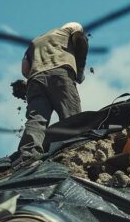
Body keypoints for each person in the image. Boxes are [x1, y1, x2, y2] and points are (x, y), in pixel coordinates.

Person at [14, 22, 88, 162]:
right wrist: (80, 71)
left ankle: (28, 153)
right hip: (60, 73)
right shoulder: (69, 31)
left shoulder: (35, 41)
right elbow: (81, 42)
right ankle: (73, 145)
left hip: (35, 80)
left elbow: (25, 69)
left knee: (37, 118)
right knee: (71, 112)